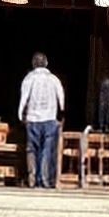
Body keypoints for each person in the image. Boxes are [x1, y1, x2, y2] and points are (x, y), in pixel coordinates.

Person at [18, 52, 65, 189]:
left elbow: (24, 97)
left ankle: (33, 179)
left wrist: (21, 115)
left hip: (33, 119)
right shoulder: (54, 79)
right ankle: (44, 180)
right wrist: (61, 116)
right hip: (50, 118)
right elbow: (60, 97)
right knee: (47, 149)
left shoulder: (29, 78)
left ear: (33, 63)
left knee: (32, 150)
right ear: (46, 63)